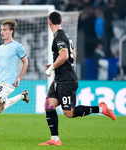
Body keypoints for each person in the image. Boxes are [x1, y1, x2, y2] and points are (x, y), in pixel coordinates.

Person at [39, 12, 116, 146]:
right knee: (49, 106)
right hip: (59, 79)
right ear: (61, 21)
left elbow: (64, 57)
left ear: (49, 22)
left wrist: (51, 68)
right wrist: (54, 65)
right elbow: (72, 56)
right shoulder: (67, 36)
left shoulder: (59, 37)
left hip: (67, 80)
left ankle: (101, 109)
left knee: (69, 113)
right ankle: (55, 139)